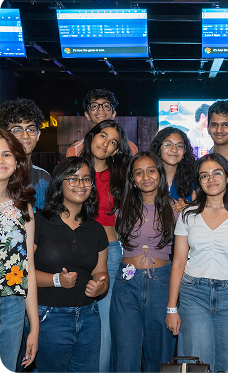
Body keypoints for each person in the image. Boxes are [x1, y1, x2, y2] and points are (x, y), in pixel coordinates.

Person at [166, 153, 228, 373]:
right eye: (204, 175)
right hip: (193, 294)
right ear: (199, 182)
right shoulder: (188, 215)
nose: (211, 179)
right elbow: (178, 263)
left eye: (217, 173)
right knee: (198, 361)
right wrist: (171, 308)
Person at [32, 157, 109, 373]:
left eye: (86, 179)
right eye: (73, 179)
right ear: (59, 183)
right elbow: (22, 273)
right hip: (49, 318)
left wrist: (101, 285)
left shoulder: (96, 229)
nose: (81, 185)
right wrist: (56, 280)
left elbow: (101, 270)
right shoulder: (39, 222)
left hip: (89, 318)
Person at [110, 151, 178, 373]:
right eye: (139, 173)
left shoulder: (175, 209)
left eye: (151, 171)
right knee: (124, 352)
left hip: (161, 284)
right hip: (126, 283)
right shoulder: (122, 210)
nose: (146, 176)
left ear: (160, 173)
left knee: (160, 353)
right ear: (133, 179)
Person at [81, 120, 132, 373]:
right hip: (74, 251)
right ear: (91, 137)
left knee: (103, 321)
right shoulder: (72, 169)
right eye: (103, 136)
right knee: (74, 319)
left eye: (113, 142)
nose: (106, 144)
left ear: (115, 151)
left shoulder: (120, 176)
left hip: (110, 252)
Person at [0, 129, 38, 373]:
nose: (1, 161)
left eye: (6, 154)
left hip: (12, 306)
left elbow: (29, 269)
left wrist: (34, 326)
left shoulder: (23, 209)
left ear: (16, 162)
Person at [0, 98, 51, 210]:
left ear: (38, 135)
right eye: (17, 130)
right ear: (5, 135)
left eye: (31, 129)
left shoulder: (44, 178)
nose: (25, 136)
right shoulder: (2, 173)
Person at [66, 88, 138, 157]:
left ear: (113, 114)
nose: (100, 109)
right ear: (87, 115)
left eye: (106, 106)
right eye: (94, 106)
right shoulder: (75, 151)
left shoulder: (130, 148)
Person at [150, 126, 196, 212]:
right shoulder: (148, 177)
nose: (174, 149)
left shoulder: (194, 179)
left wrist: (191, 208)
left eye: (179, 146)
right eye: (168, 144)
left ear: (185, 151)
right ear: (158, 147)